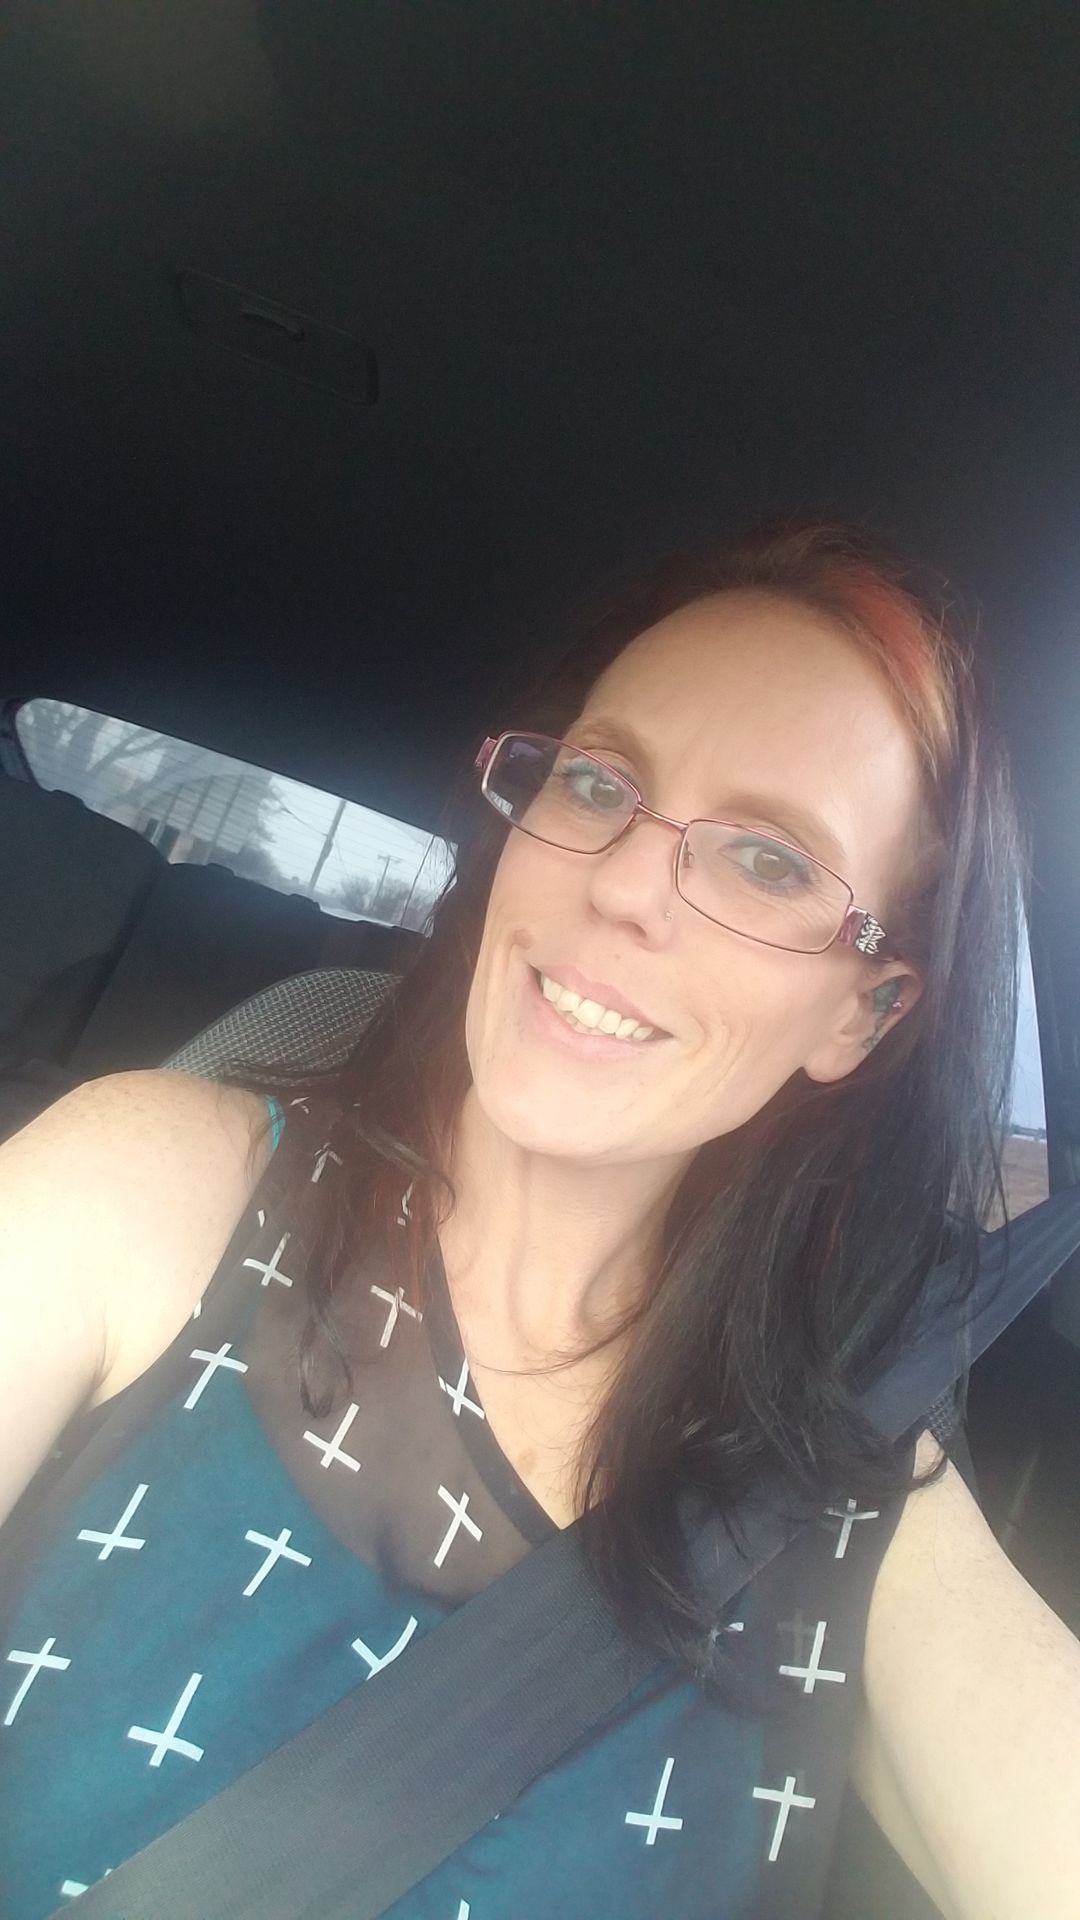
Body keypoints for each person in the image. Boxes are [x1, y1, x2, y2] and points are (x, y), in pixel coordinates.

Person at [2, 521, 1079, 1920]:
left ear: (862, 1014)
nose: (620, 883)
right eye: (598, 780)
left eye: (768, 863)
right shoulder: (149, 1188)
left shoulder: (849, 1495)